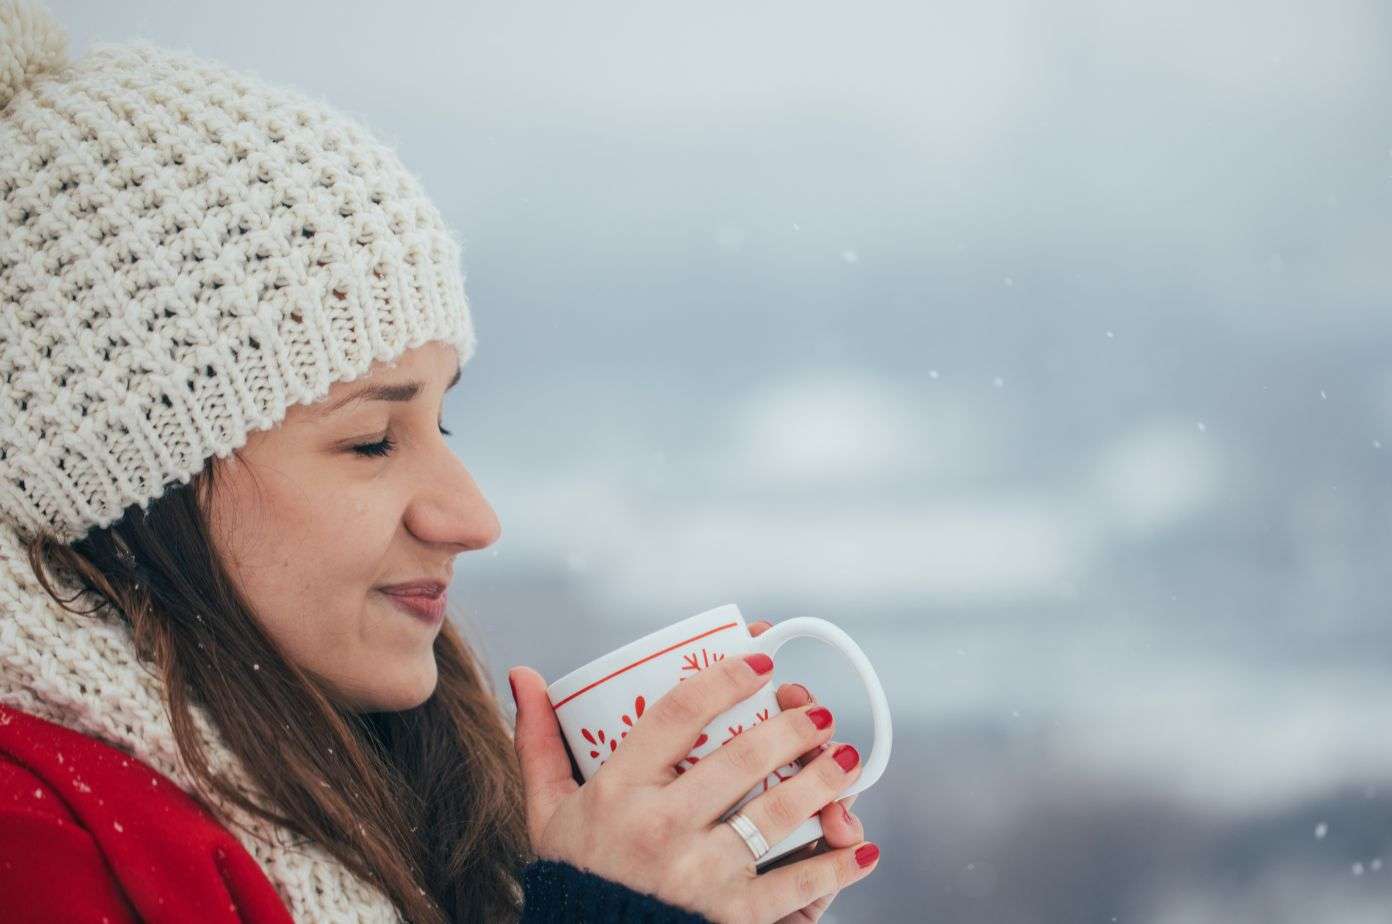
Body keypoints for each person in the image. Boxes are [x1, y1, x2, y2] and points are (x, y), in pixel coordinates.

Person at [0, 2, 880, 921]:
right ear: (126, 490)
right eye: (371, 440)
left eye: (443, 425)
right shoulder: (34, 840)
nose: (472, 519)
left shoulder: (400, 799)